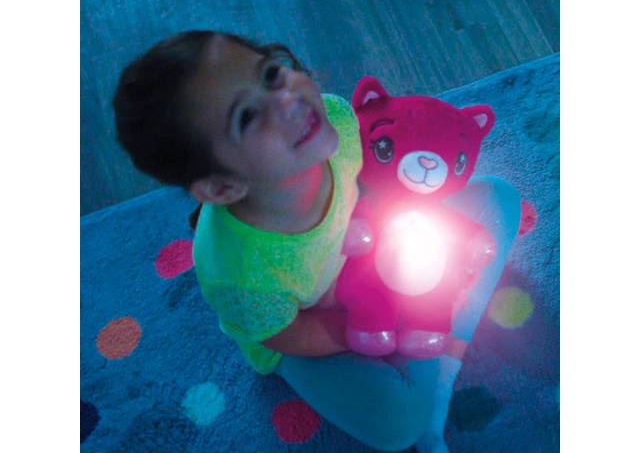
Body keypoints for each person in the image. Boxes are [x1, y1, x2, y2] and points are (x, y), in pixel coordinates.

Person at [113, 30, 521, 452]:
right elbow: (289, 335)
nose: (288, 99)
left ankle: (440, 367)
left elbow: (373, 181)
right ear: (222, 187)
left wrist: (408, 244)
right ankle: (431, 376)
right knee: (397, 424)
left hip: (366, 255)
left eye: (270, 74)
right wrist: (373, 325)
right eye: (248, 116)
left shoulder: (336, 120)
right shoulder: (238, 273)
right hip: (309, 328)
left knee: (499, 200)